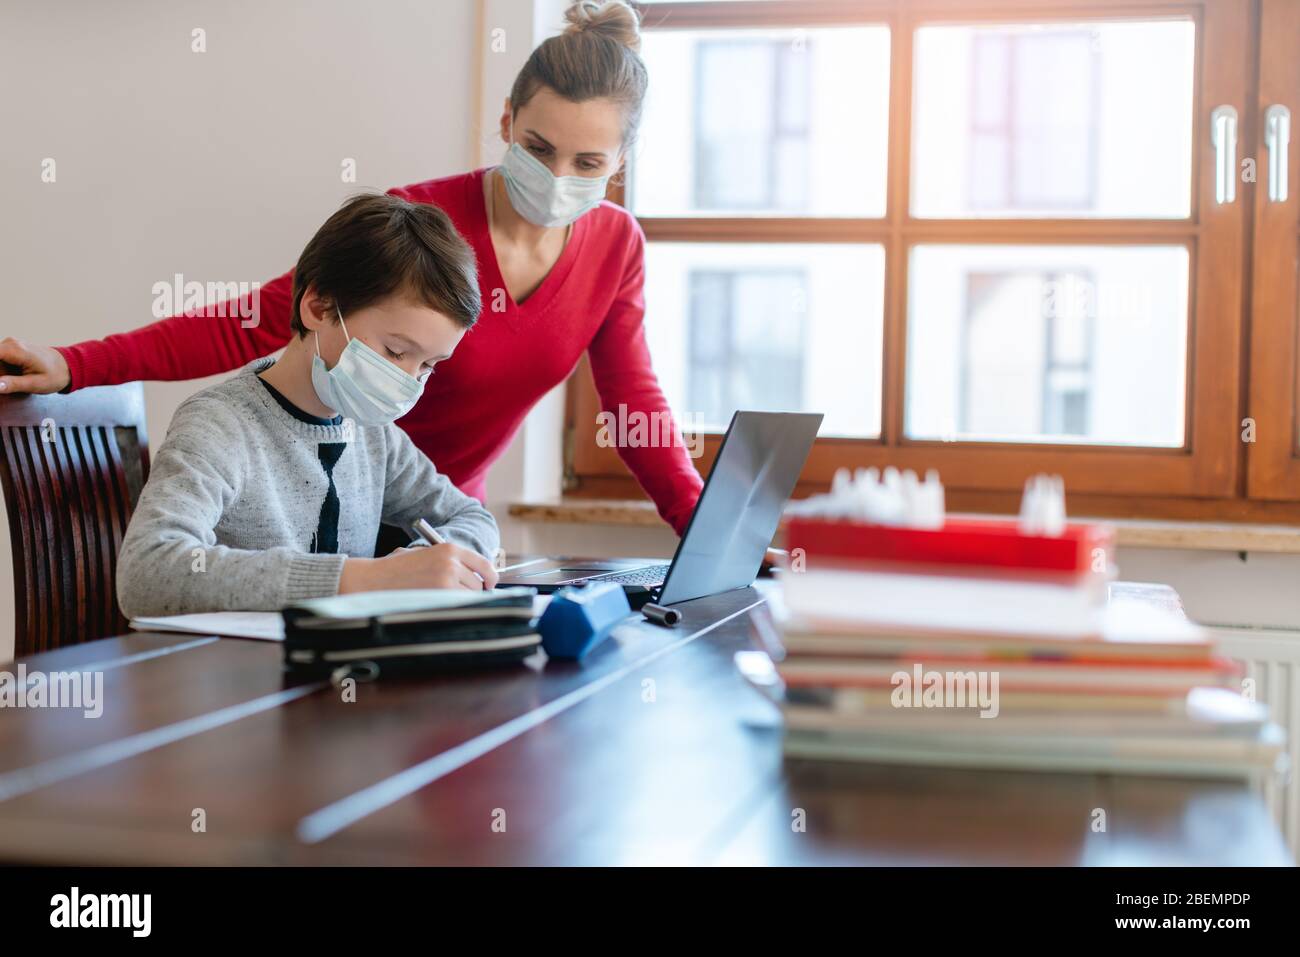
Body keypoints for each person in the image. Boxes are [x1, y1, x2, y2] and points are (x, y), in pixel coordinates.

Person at [0, 0, 706, 539]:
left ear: (620, 163)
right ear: (505, 121)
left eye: (587, 163)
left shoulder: (617, 249)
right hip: (332, 518)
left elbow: (632, 401)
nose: (556, 177)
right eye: (538, 146)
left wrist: (697, 528)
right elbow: (252, 319)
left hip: (447, 527)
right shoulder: (422, 222)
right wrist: (78, 363)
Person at [116, 193, 500, 619]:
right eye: (395, 351)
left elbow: (472, 517)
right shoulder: (220, 424)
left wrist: (425, 567)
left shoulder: (373, 435)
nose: (409, 380)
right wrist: (363, 580)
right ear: (318, 307)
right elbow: (147, 572)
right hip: (235, 676)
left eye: (428, 364)